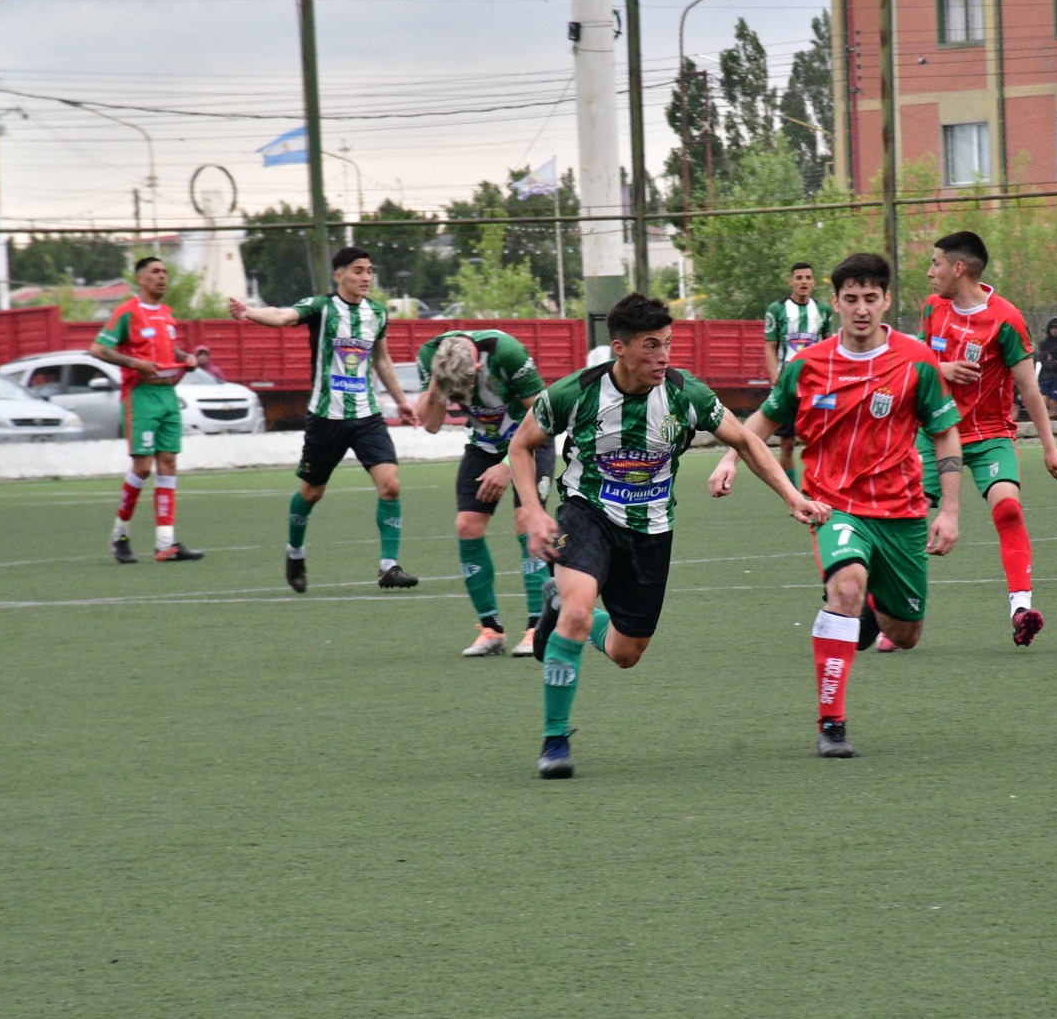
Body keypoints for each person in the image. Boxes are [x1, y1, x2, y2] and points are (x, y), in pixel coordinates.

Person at [511, 293, 828, 779]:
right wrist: (533, 512)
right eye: (651, 346)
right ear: (619, 347)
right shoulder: (575, 393)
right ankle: (555, 740)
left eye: (668, 345)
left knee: (625, 653)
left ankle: (559, 606)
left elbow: (745, 439)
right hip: (586, 513)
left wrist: (792, 496)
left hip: (652, 530)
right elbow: (521, 445)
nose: (663, 357)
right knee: (578, 613)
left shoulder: (686, 395)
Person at [710, 252, 964, 759]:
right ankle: (833, 723)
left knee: (906, 633)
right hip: (833, 505)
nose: (862, 309)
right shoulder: (806, 366)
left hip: (902, 511)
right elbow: (762, 419)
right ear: (836, 303)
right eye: (851, 299)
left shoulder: (917, 361)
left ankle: (869, 609)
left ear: (887, 300)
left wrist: (950, 510)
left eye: (871, 298)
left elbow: (945, 435)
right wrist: (730, 459)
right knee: (845, 586)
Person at [907, 231, 1057, 650]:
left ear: (958, 269)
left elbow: (1030, 390)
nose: (930, 272)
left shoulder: (1006, 318)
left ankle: (1021, 610)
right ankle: (895, 612)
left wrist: (1051, 448)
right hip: (936, 432)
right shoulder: (932, 309)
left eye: (936, 263)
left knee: (1009, 510)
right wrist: (942, 369)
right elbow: (920, 364)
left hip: (990, 435)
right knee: (906, 518)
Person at [228, 247, 421, 593]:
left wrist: (402, 402)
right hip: (325, 417)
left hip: (366, 415)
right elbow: (284, 316)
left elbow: (383, 360)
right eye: (358, 271)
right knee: (312, 492)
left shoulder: (376, 312)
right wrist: (249, 313)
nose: (365, 277)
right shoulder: (321, 307)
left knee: (390, 485)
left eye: (369, 271)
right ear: (339, 275)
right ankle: (295, 551)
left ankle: (388, 566)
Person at [415, 329, 552, 657]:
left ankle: (537, 628)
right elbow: (431, 424)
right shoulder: (428, 356)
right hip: (483, 444)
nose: (460, 400)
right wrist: (437, 382)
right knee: (467, 525)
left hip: (531, 440)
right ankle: (491, 630)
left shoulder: (507, 352)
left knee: (526, 521)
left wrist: (508, 465)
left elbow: (545, 417)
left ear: (477, 369)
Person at [92, 256, 204, 564]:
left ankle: (165, 543)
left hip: (168, 395)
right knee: (142, 468)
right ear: (141, 279)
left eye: (165, 272)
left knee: (168, 464)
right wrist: (134, 363)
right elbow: (98, 349)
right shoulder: (127, 312)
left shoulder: (167, 315)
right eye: (155, 272)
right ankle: (120, 535)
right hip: (140, 395)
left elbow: (170, 351)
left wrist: (187, 358)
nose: (162, 277)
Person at [762, 261, 835, 488]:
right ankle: (792, 493)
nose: (803, 282)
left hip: (817, 384)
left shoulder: (823, 310)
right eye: (799, 278)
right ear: (791, 281)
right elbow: (770, 345)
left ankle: (825, 489)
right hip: (788, 384)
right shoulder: (777, 309)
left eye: (807, 278)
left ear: (813, 282)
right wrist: (776, 378)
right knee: (787, 443)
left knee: (822, 439)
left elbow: (829, 344)